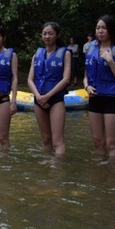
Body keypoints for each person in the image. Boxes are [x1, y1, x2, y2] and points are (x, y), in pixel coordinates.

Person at [83, 15, 115, 160]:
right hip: (94, 97)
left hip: (112, 98)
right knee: (97, 141)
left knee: (112, 142)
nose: (100, 31)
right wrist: (86, 86)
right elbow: (86, 75)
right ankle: (99, 174)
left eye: (104, 28)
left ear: (111, 30)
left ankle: (113, 176)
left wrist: (110, 61)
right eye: (98, 28)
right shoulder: (91, 48)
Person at [27, 22, 71, 156]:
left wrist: (48, 96)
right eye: (44, 33)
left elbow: (66, 79)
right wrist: (39, 96)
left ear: (57, 35)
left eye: (50, 33)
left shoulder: (65, 53)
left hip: (55, 99)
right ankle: (46, 168)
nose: (47, 36)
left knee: (57, 140)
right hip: (39, 99)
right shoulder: (37, 55)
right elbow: (29, 79)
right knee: (46, 139)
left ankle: (57, 170)